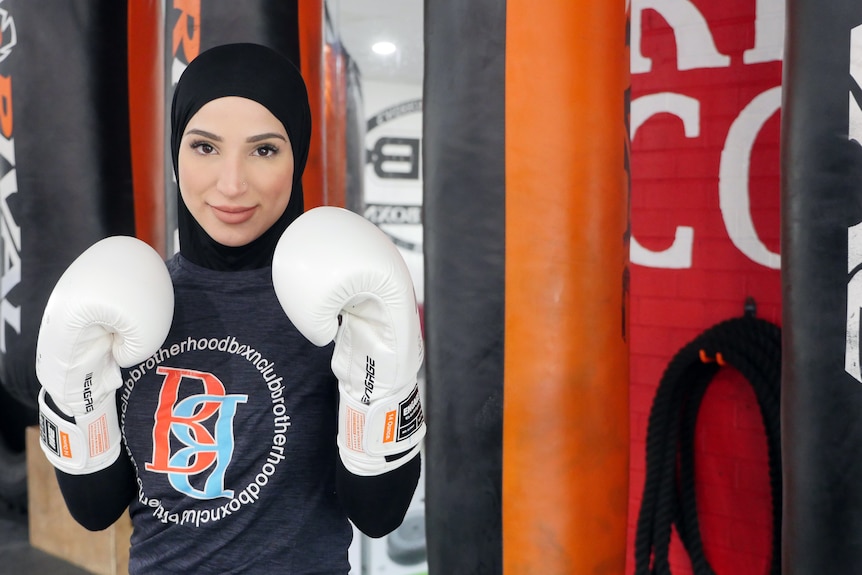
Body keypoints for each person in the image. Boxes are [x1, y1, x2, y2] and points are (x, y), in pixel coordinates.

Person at [33, 42, 424, 574]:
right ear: (176, 153)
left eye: (264, 150)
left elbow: (378, 514)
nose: (232, 183)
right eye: (205, 147)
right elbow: (97, 510)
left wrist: (383, 382)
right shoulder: (129, 302)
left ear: (298, 157)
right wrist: (73, 398)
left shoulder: (340, 305)